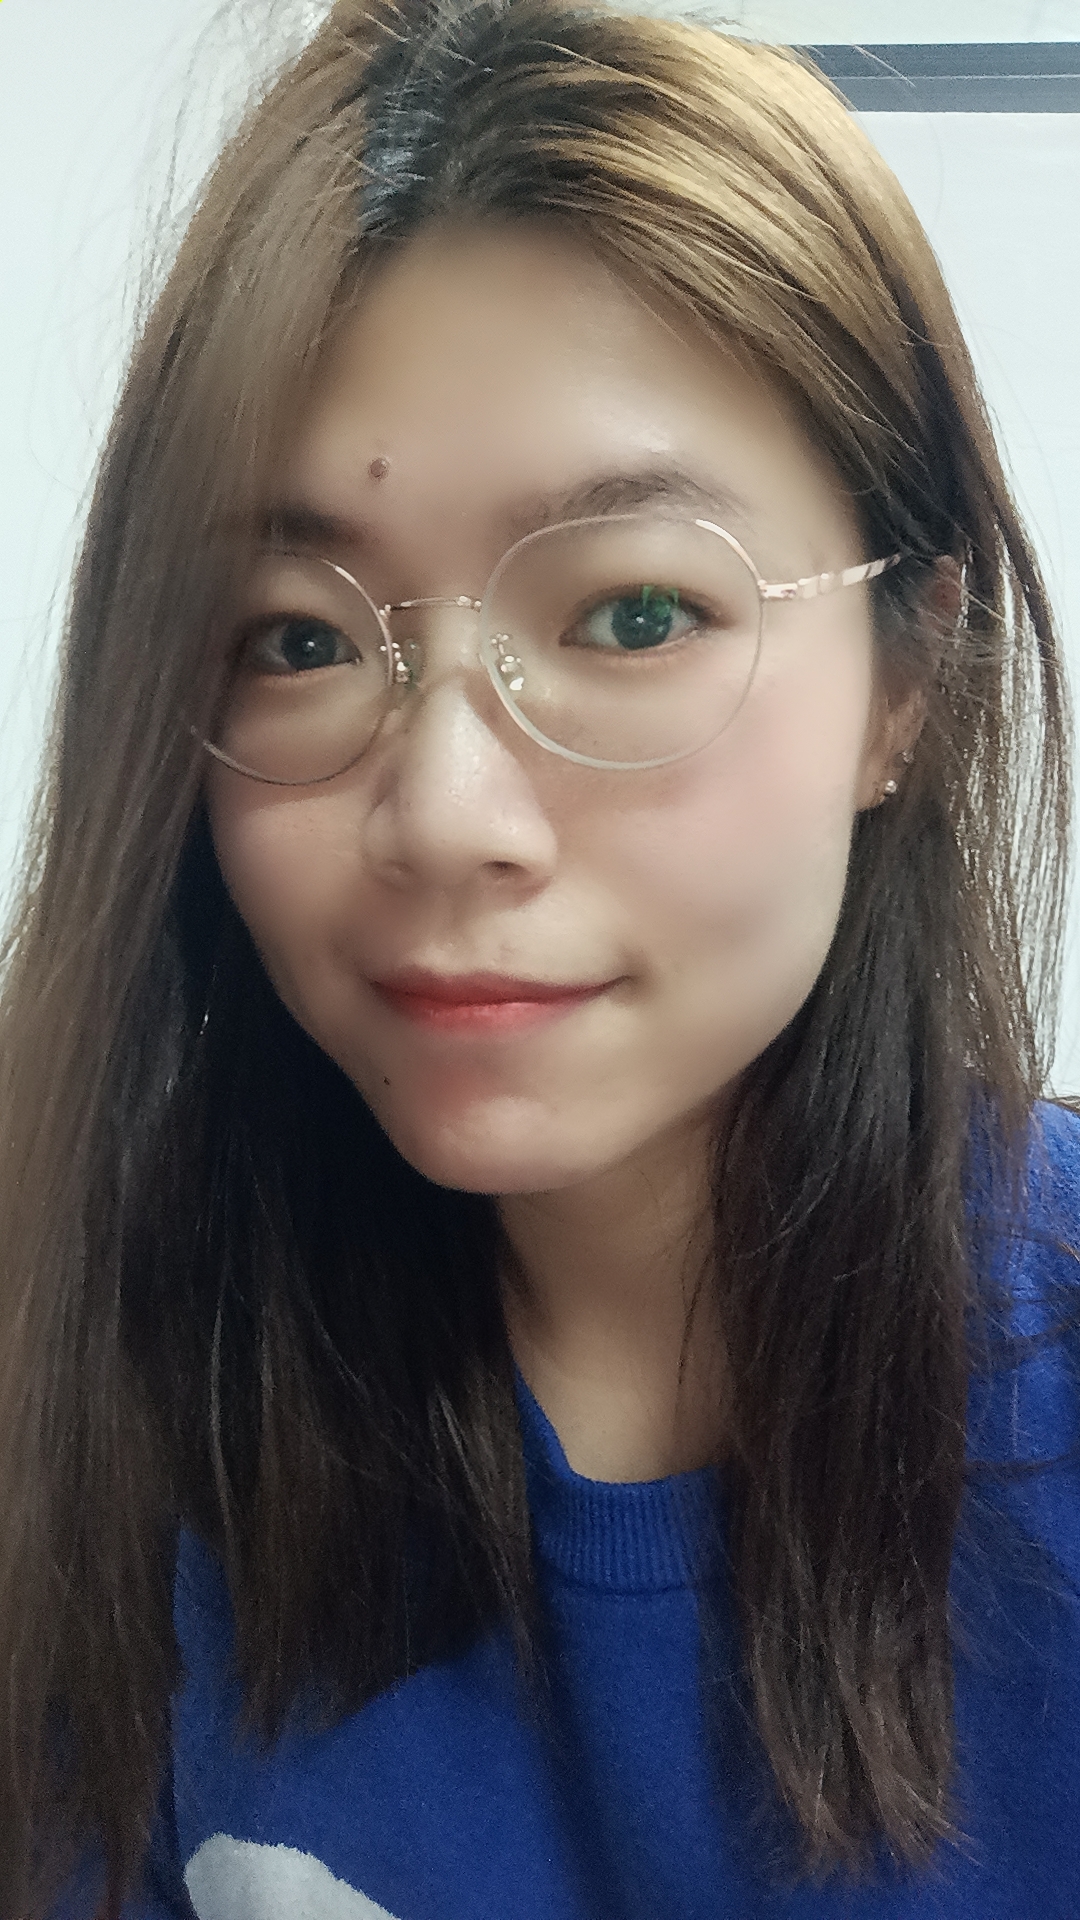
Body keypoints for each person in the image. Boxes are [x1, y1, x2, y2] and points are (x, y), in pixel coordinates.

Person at [1, 0, 1077, 1914]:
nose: (442, 813)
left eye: (635, 613)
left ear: (905, 679)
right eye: (300, 638)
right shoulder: (102, 1383)